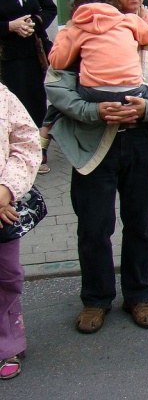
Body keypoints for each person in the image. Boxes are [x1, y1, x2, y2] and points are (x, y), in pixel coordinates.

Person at [45, 0, 148, 333]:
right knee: (94, 226)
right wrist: (94, 112)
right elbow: (55, 84)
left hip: (144, 141)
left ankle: (139, 295)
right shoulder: (87, 25)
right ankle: (96, 299)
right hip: (93, 144)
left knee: (140, 223)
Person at [47, 0, 148, 188]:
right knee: (96, 217)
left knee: (140, 218)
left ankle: (42, 142)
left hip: (142, 136)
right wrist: (92, 111)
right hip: (93, 140)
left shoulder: (78, 28)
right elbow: (57, 83)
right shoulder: (129, 22)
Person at [0, 0, 58, 155]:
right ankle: (12, 154)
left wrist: (33, 22)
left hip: (35, 54)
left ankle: (36, 153)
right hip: (6, 58)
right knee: (12, 105)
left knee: (36, 101)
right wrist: (10, 26)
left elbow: (50, 8)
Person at [0, 82, 41, 381]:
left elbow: (26, 141)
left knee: (8, 275)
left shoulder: (1, 93)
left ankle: (6, 341)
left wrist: (7, 188)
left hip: (2, 208)